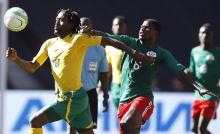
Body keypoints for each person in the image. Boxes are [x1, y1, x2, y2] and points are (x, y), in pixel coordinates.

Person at [5, 9, 155, 134]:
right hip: (77, 98)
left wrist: (135, 53)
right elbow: (32, 66)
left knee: (35, 121)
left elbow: (109, 41)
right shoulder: (49, 44)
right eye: (56, 19)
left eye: (61, 20)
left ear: (71, 24)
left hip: (72, 98)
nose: (56, 22)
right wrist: (16, 58)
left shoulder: (78, 39)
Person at [84, 19, 212, 134]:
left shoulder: (161, 53)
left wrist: (198, 87)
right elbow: (109, 37)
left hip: (143, 99)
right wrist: (92, 32)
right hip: (123, 101)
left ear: (156, 33)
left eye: (147, 28)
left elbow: (179, 72)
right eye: (141, 27)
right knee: (127, 128)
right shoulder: (130, 42)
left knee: (126, 123)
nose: (142, 29)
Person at [186, 23, 220, 134]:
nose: (204, 35)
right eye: (202, 33)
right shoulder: (194, 51)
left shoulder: (218, 52)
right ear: (199, 35)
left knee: (201, 128)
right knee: (194, 129)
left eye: (207, 33)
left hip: (212, 94)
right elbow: (192, 71)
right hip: (198, 94)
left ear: (212, 35)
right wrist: (187, 72)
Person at [105, 16, 128, 108]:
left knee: (130, 117)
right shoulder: (109, 46)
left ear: (126, 27)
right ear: (112, 27)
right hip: (116, 87)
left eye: (120, 25)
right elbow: (108, 69)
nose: (118, 27)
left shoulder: (132, 44)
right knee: (120, 116)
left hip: (129, 86)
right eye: (115, 25)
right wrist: (101, 86)